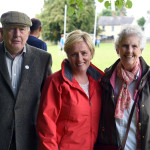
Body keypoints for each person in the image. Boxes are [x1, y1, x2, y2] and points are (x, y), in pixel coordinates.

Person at [37, 30, 104, 150]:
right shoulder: (55, 82)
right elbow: (46, 126)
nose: (79, 59)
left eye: (84, 53)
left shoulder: (100, 82)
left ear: (91, 54)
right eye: (74, 54)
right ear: (68, 55)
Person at [0, 11, 52, 150]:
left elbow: (49, 102)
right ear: (2, 31)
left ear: (28, 33)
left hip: (30, 137)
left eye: (22, 29)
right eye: (11, 29)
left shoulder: (43, 59)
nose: (17, 34)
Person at [94, 24, 150, 150]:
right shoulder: (106, 80)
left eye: (134, 46)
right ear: (117, 49)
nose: (129, 51)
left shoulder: (148, 79)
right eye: (125, 46)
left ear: (141, 50)